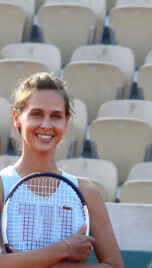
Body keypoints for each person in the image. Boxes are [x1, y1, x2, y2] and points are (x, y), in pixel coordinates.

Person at [0, 72, 124, 268]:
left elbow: (115, 266)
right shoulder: (2, 185)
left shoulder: (87, 192)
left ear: (66, 122)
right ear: (17, 117)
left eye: (56, 116)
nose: (46, 125)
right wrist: (64, 249)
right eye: (36, 114)